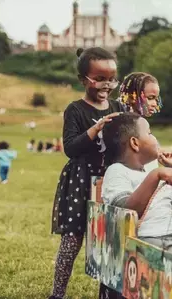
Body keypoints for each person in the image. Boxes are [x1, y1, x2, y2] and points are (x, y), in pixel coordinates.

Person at [48, 47, 123, 299]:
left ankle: (107, 293)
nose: (107, 84)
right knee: (72, 240)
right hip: (80, 180)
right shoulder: (75, 110)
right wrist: (97, 128)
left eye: (111, 79)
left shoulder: (118, 106)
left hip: (110, 180)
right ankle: (58, 293)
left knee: (110, 239)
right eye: (100, 79)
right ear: (84, 79)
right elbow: (70, 148)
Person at [102, 112, 172, 255]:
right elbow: (126, 213)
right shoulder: (116, 171)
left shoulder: (152, 172)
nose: (155, 138)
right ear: (135, 143)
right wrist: (155, 175)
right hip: (147, 239)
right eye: (150, 133)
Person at [117, 71, 163, 172]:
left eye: (156, 99)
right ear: (132, 97)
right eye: (150, 98)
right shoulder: (122, 128)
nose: (155, 104)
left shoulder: (143, 125)